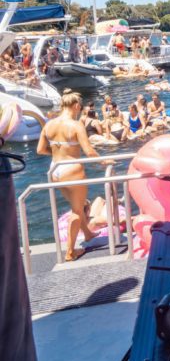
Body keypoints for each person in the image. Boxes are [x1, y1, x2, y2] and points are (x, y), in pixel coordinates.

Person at [36, 89, 100, 261]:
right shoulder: (76, 125)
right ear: (77, 105)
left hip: (55, 170)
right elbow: (89, 151)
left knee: (77, 205)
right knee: (78, 210)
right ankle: (70, 252)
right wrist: (104, 162)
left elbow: (40, 150)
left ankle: (87, 234)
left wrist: (59, 154)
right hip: (72, 169)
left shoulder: (49, 124)